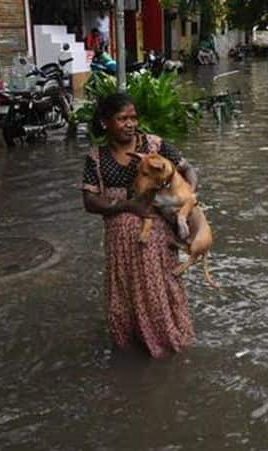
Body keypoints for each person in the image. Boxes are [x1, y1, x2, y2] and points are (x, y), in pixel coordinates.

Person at [82, 93, 199, 358]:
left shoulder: (155, 145)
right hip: (119, 239)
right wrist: (127, 206)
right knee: (124, 293)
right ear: (105, 123)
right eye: (122, 118)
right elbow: (89, 201)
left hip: (157, 229)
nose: (130, 124)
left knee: (159, 286)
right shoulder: (96, 157)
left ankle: (167, 340)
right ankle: (131, 343)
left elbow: (188, 168)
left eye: (133, 117)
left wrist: (189, 194)